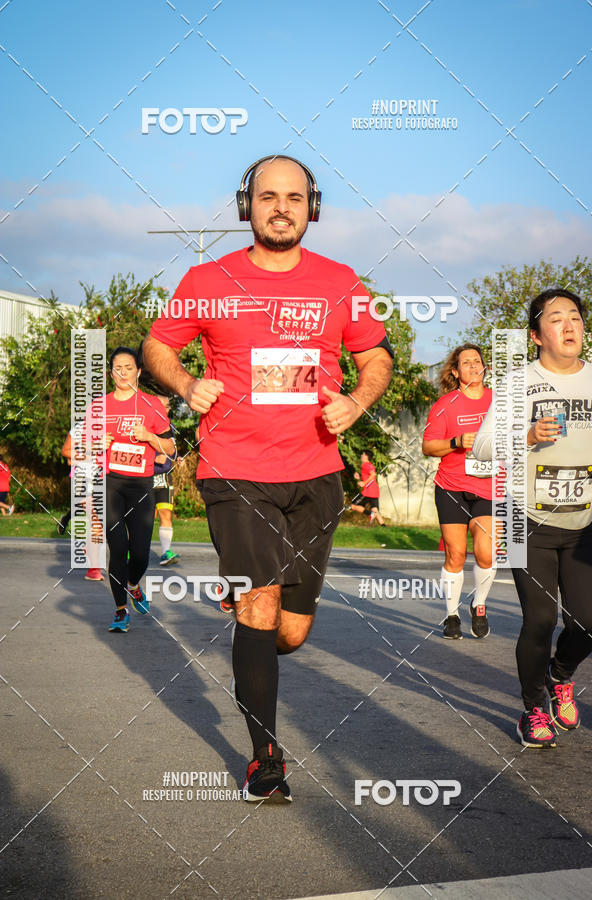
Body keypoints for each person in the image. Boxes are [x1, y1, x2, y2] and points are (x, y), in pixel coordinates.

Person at [144, 155, 393, 803]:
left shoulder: (342, 282)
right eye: (266, 196)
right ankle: (265, 759)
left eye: (293, 196)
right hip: (235, 472)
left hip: (317, 476)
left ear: (313, 206)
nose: (279, 206)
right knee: (259, 607)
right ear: (244, 206)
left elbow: (376, 358)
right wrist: (187, 382)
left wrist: (358, 402)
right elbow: (157, 346)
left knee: (290, 631)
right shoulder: (208, 277)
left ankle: (258, 620)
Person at [473, 289, 592, 749]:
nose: (569, 327)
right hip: (526, 517)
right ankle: (532, 709)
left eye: (575, 318)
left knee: (591, 620)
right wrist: (524, 434)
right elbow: (482, 449)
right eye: (556, 319)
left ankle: (560, 675)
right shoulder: (516, 384)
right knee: (540, 620)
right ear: (535, 335)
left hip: (588, 521)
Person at [97, 347, 176, 633]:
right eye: (117, 368)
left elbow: (171, 449)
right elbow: (80, 450)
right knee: (117, 549)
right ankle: (120, 611)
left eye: (128, 367)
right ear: (110, 373)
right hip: (111, 483)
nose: (122, 373)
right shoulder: (99, 406)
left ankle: (133, 585)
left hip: (142, 486)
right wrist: (97, 445)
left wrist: (150, 437)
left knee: (140, 554)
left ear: (139, 372)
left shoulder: (152, 404)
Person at [422, 344, 496, 640]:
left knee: (486, 553)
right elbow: (428, 447)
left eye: (477, 362)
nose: (474, 366)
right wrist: (456, 442)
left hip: (490, 487)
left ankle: (479, 604)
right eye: (467, 363)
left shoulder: (499, 402)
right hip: (451, 486)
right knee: (455, 554)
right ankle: (452, 614)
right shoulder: (445, 404)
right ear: (456, 372)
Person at [57, 430, 105, 581]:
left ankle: (89, 547)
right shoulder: (79, 428)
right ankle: (94, 569)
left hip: (103, 480)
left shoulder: (110, 425)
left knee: (100, 526)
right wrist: (90, 454)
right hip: (82, 481)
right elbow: (66, 453)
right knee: (96, 523)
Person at [152, 394, 180, 567]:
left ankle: (165, 553)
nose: (165, 409)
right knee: (141, 518)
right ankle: (131, 552)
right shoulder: (144, 425)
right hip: (145, 477)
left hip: (164, 477)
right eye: (161, 406)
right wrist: (153, 459)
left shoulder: (171, 427)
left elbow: (173, 451)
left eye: (167, 406)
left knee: (165, 514)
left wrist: (177, 459)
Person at [350, 450, 386, 525]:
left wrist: (364, 483)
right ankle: (384, 526)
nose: (361, 456)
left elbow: (373, 475)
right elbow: (369, 477)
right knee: (375, 509)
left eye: (362, 454)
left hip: (368, 491)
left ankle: (370, 514)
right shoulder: (369, 465)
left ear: (366, 456)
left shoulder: (365, 465)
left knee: (353, 505)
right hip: (374, 490)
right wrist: (359, 478)